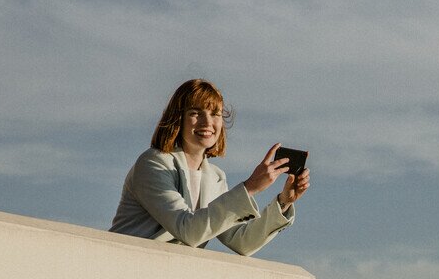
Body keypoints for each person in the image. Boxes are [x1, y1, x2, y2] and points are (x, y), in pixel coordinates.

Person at [109, 78, 310, 256]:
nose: (207, 122)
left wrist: (284, 202)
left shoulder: (215, 176)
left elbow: (241, 241)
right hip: (126, 269)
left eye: (215, 114)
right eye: (195, 113)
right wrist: (250, 187)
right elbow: (187, 230)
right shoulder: (154, 162)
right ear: (178, 118)